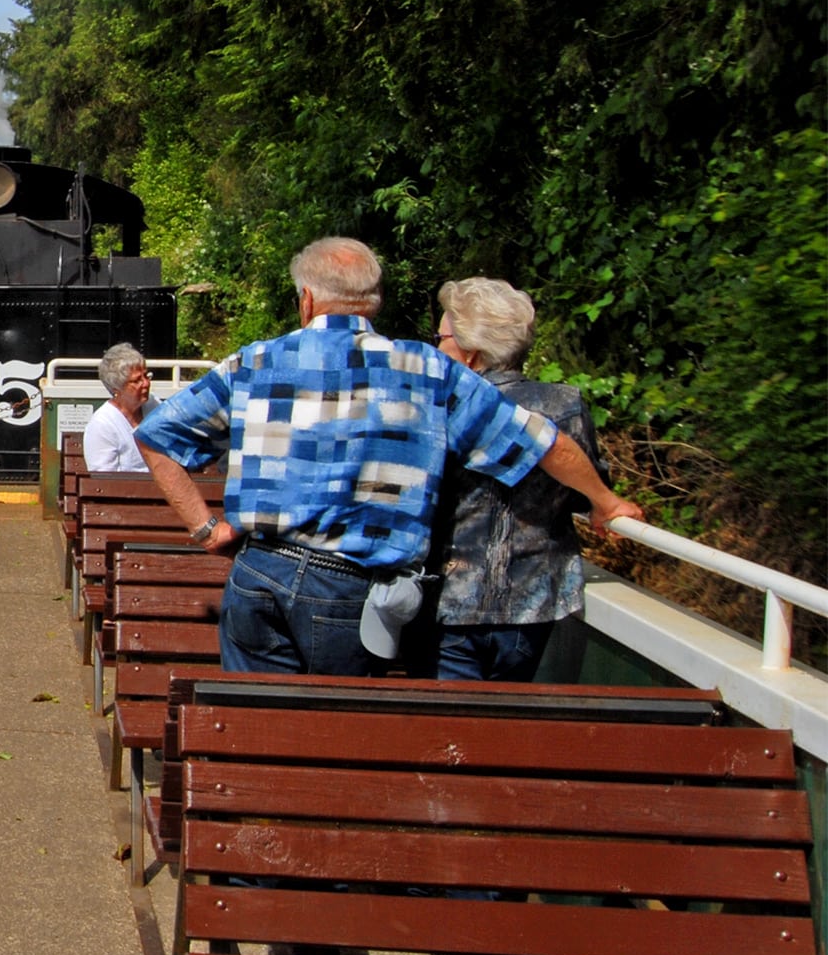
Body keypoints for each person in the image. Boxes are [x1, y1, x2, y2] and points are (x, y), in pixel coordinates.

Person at [133, 237, 642, 676]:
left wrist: (205, 528)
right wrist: (604, 500)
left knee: (251, 732)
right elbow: (544, 443)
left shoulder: (255, 361)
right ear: (373, 301)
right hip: (351, 587)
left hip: (260, 572)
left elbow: (156, 436)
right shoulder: (426, 371)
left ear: (306, 300)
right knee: (335, 740)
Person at [408, 277, 609, 682]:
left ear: (470, 352)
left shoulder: (436, 406)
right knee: (507, 726)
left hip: (448, 602)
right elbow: (583, 496)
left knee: (451, 733)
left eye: (441, 336)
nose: (437, 346)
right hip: (533, 603)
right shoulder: (564, 404)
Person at [82, 342, 156, 473]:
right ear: (117, 388)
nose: (146, 383)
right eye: (137, 380)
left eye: (146, 376)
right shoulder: (102, 424)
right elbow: (103, 481)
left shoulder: (153, 404)